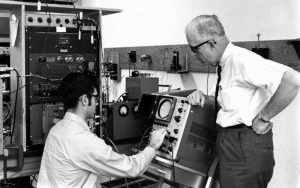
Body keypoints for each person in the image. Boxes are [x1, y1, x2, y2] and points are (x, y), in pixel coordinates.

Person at [185, 15, 300, 188]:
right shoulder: (225, 65)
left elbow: (292, 80)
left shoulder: (241, 60)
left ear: (211, 43)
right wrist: (202, 95)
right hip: (231, 145)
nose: (196, 55)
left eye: (195, 49)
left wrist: (263, 118)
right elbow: (228, 102)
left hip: (243, 146)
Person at [37, 72, 167, 188]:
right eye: (95, 98)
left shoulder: (55, 131)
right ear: (84, 100)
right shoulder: (84, 141)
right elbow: (131, 168)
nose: (97, 103)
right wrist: (152, 146)